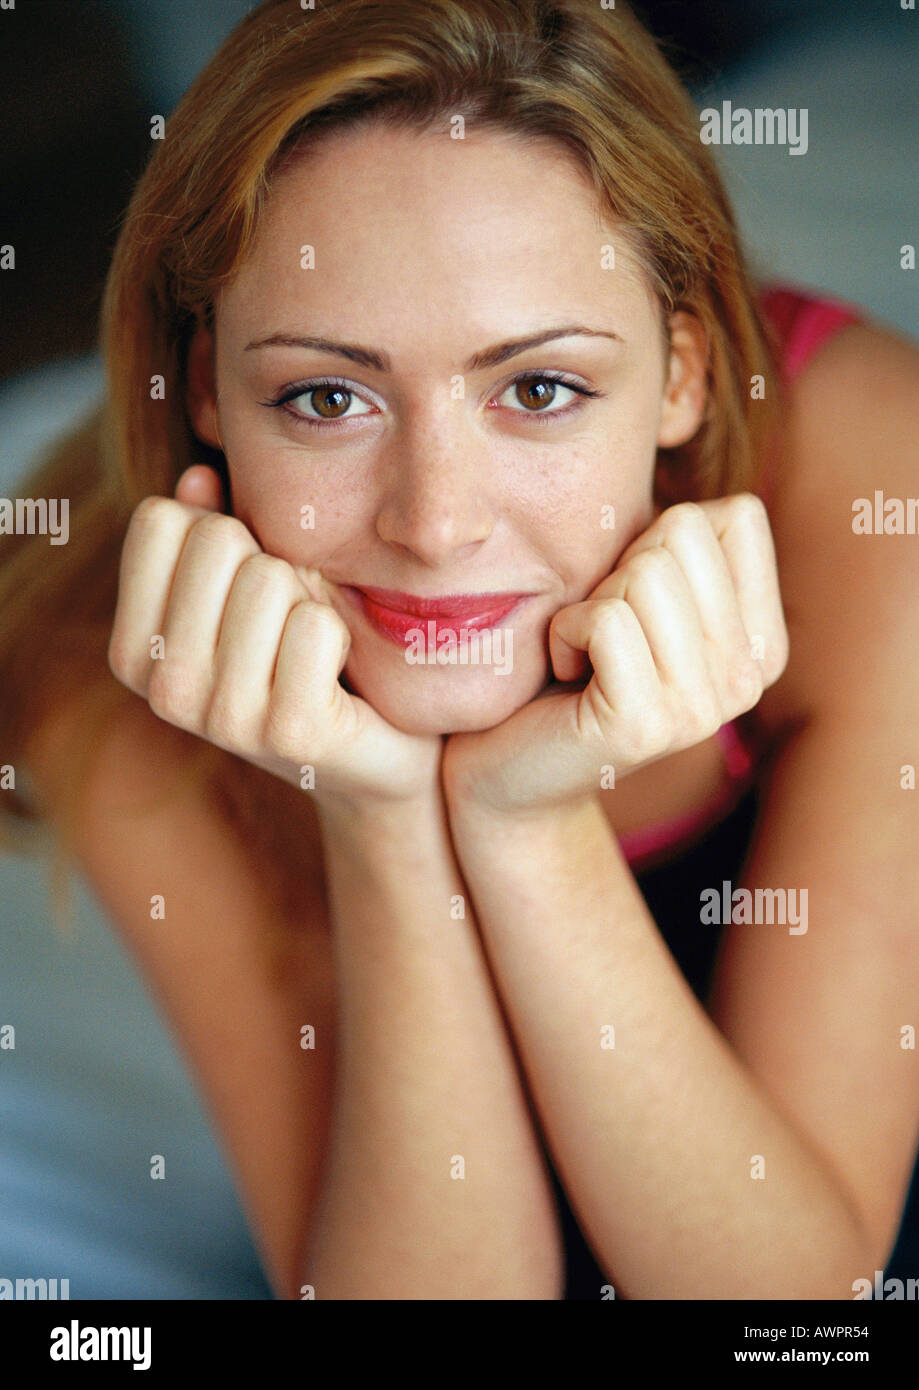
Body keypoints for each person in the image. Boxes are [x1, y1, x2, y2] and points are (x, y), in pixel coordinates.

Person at [2, 0, 918, 1301]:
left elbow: (792, 1310)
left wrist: (527, 823)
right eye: (328, 396)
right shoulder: (103, 647)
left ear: (684, 375)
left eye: (537, 389)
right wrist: (381, 814)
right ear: (208, 389)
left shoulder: (881, 500)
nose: (434, 524)